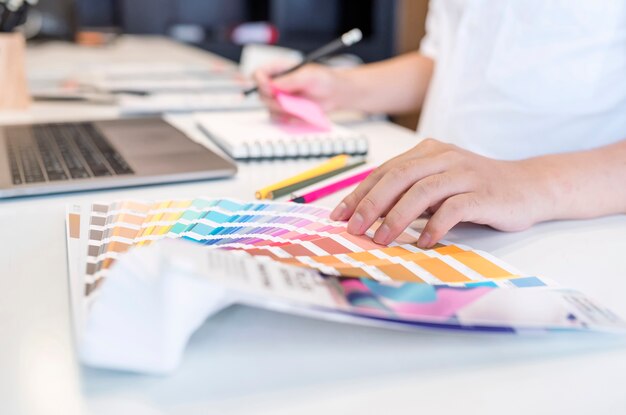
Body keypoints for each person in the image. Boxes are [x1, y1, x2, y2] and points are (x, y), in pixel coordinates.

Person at [254, 1, 626, 248]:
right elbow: (450, 61)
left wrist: (528, 181)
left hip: (563, 234)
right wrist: (344, 88)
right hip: (428, 213)